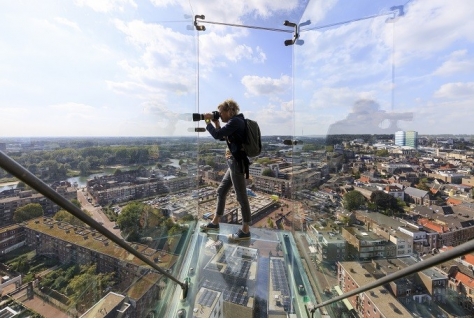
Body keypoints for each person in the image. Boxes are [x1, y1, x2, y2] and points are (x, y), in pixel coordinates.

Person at [201, 99, 251, 240]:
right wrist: (216, 122)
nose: (219, 114)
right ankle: (215, 222)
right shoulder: (236, 122)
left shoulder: (235, 122)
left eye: (221, 112)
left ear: (230, 111)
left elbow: (217, 136)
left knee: (241, 197)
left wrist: (207, 122)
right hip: (233, 163)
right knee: (221, 191)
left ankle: (245, 231)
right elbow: (223, 136)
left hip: (236, 163)